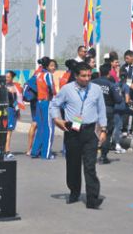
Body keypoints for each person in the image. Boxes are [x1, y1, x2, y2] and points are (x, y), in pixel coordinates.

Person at [49, 62, 107, 209]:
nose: (87, 78)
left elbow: (101, 110)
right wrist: (57, 119)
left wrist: (104, 130)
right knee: (73, 164)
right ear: (76, 76)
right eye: (83, 76)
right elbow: (54, 104)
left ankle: (92, 199)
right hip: (72, 131)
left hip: (90, 131)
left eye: (89, 75)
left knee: (90, 166)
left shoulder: (96, 90)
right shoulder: (67, 90)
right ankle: (74, 192)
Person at [92, 63, 124, 164]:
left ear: (100, 72)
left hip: (93, 110)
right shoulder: (111, 85)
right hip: (107, 111)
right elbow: (118, 100)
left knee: (92, 133)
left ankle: (91, 155)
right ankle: (103, 156)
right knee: (106, 133)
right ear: (109, 73)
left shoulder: (92, 83)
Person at [29, 57, 57, 159]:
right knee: (49, 128)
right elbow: (51, 87)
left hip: (39, 102)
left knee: (40, 127)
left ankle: (35, 151)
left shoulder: (38, 74)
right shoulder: (48, 75)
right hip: (47, 102)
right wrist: (53, 95)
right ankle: (46, 154)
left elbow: (31, 84)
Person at [4, 70, 24, 160]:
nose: (6, 78)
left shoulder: (16, 87)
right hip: (6, 110)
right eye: (5, 77)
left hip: (13, 111)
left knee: (9, 131)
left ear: (12, 78)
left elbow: (18, 101)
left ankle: (5, 150)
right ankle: (7, 151)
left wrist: (18, 112)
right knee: (8, 131)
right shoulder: (3, 87)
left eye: (8, 77)